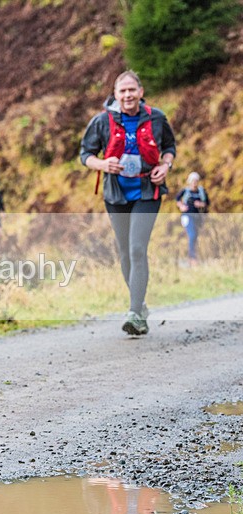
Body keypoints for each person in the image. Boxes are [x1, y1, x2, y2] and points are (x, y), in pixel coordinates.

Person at [80, 70, 176, 336]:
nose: (128, 95)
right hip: (116, 195)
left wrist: (165, 165)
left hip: (147, 192)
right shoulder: (102, 121)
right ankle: (139, 305)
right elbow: (85, 154)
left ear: (140, 92)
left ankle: (134, 313)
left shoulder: (156, 117)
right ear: (115, 94)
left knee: (136, 249)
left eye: (132, 90)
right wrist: (102, 164)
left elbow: (169, 146)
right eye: (122, 91)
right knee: (124, 252)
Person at [176, 171, 209, 266]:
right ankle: (192, 258)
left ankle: (195, 257)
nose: (194, 183)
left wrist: (200, 204)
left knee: (196, 237)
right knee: (192, 235)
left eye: (196, 181)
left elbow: (207, 203)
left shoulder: (202, 192)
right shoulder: (185, 191)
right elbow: (177, 199)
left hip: (198, 217)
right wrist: (181, 206)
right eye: (193, 181)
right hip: (187, 216)